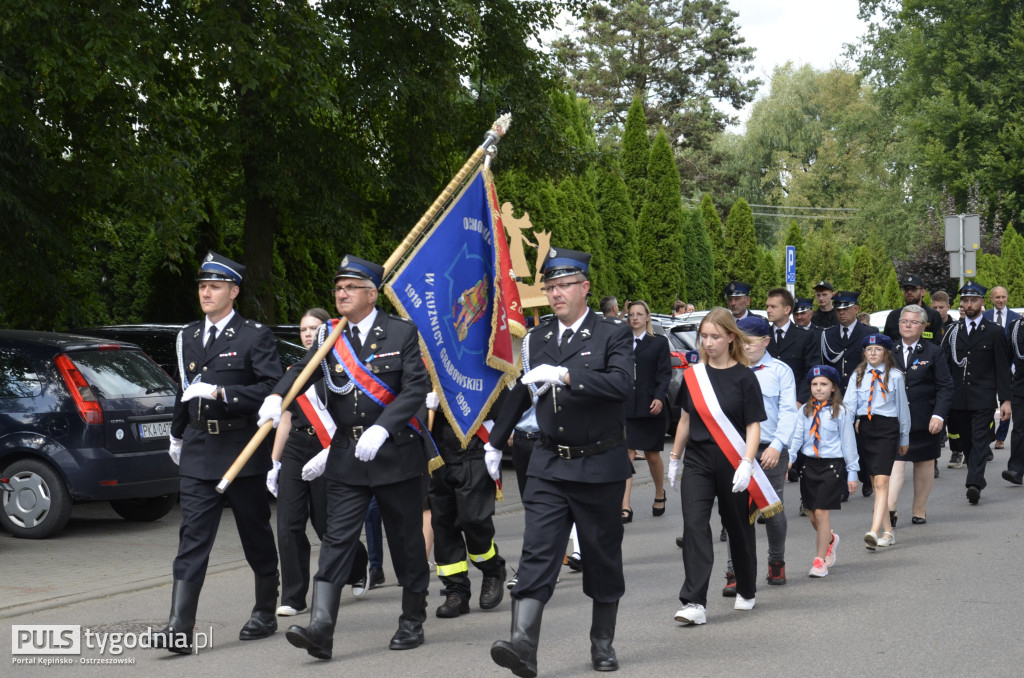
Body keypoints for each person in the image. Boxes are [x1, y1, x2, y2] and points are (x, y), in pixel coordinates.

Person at [259, 254, 432, 659]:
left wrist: (382, 426)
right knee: (336, 540)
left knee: (406, 541)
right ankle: (321, 628)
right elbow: (302, 372)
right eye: (338, 287)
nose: (341, 292)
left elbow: (413, 388)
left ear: (372, 294)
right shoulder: (328, 337)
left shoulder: (400, 333)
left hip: (394, 453)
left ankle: (412, 619)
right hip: (346, 456)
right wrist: (275, 396)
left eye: (350, 287)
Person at [487, 247, 632, 675]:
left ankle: (602, 642)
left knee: (602, 556)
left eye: (564, 285)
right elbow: (520, 391)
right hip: (550, 464)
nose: (556, 294)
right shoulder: (537, 338)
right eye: (549, 287)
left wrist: (567, 376)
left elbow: (623, 385)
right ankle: (522, 646)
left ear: (585, 287)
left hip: (599, 464)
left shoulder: (612, 333)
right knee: (537, 551)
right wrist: (495, 442)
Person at [152, 251, 284, 654]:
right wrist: (176, 435)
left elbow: (272, 388)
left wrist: (222, 392)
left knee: (254, 531)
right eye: (202, 286)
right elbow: (184, 390)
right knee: (192, 537)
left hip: (239, 448)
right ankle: (179, 626)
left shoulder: (253, 335)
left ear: (234, 292)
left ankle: (265, 610)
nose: (205, 293)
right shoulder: (187, 335)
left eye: (214, 286)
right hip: (198, 447)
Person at [668, 308, 778, 626]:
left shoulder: (745, 377)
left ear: (731, 337)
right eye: (704, 336)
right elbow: (686, 420)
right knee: (694, 526)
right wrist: (674, 458)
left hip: (733, 460)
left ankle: (746, 587)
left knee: (738, 528)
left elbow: (754, 425)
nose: (709, 342)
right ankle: (694, 602)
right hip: (699, 461)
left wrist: (747, 462)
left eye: (715, 336)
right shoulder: (693, 376)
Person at [267, 309, 371, 617]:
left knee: (325, 524)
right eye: (303, 330)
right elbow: (285, 418)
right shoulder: (294, 371)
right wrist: (274, 462)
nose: (308, 334)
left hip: (330, 448)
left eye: (314, 328)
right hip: (297, 446)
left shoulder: (340, 368)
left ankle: (358, 561)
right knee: (288, 524)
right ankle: (294, 596)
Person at [720, 316, 797, 591]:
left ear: (766, 341)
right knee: (734, 512)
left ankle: (776, 562)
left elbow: (789, 412)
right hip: (734, 449)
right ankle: (734, 571)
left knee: (772, 510)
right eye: (741, 340)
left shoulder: (780, 371)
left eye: (751, 342)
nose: (745, 346)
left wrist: (778, 445)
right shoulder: (728, 368)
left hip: (769, 449)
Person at [425, 389, 508, 618]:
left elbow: (499, 400)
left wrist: (444, 404)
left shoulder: (476, 356)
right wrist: (423, 408)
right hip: (437, 453)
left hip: (473, 449)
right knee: (443, 524)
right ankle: (456, 591)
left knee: (473, 519)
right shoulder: (424, 359)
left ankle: (492, 568)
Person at [941, 282, 1011, 504]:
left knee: (980, 440)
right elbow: (944, 366)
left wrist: (1005, 400)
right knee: (966, 442)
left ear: (982, 302)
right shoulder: (953, 332)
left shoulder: (995, 332)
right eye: (965, 300)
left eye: (973, 300)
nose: (968, 304)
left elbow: (1002, 368)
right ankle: (977, 477)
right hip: (957, 398)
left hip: (983, 397)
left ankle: (973, 483)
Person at [789, 366, 859, 577]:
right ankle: (830, 539)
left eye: (823, 384)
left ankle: (819, 561)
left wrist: (853, 472)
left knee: (821, 512)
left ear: (833, 387)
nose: (818, 389)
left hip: (832, 466)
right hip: (809, 466)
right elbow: (797, 438)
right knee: (812, 515)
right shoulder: (804, 411)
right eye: (814, 384)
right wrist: (789, 461)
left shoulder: (841, 411)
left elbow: (848, 443)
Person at [886, 305, 953, 525]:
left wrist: (939, 416)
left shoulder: (934, 352)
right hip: (894, 421)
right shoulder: (888, 351)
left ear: (923, 326)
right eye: (904, 321)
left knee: (924, 464)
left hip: (925, 419)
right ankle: (890, 510)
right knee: (895, 463)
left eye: (913, 322)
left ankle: (919, 510)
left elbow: (945, 386)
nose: (907, 325)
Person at [844, 334, 910, 550]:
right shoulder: (857, 375)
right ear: (864, 353)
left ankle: (873, 531)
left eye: (877, 349)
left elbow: (902, 409)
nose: (872, 353)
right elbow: (849, 406)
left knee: (882, 482)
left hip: (887, 429)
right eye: (869, 349)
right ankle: (888, 532)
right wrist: (844, 428)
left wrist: (904, 436)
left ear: (886, 353)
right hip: (865, 428)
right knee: (875, 483)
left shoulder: (896, 376)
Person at [621, 300, 672, 523]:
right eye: (631, 314)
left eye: (639, 314)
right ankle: (625, 505)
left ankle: (660, 493)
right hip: (625, 407)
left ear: (647, 317)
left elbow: (664, 374)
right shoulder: (621, 342)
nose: (634, 318)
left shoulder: (658, 342)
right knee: (627, 453)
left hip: (651, 405)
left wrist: (660, 397)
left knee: (652, 455)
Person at [765, 287, 817, 404]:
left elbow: (810, 370)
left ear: (787, 309)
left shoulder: (805, 336)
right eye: (767, 306)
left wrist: (800, 401)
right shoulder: (763, 336)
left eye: (773, 307)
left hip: (795, 399)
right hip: (768, 402)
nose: (768, 310)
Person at [983, 286, 1019, 449]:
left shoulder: (1016, 318)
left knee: (1006, 401)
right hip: (988, 367)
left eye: (1003, 297)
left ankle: (1001, 437)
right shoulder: (984, 317)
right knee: (987, 403)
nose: (1001, 300)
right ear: (991, 299)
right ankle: (989, 434)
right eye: (997, 297)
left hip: (1009, 367)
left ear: (1007, 298)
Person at [882, 274, 945, 345]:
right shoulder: (894, 315)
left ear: (923, 292)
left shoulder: (933, 315)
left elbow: (939, 343)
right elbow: (886, 343)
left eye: (913, 289)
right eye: (906, 289)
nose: (909, 292)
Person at [1004, 313, 1024, 485]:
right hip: (1020, 387)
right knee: (1019, 428)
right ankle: (1016, 469)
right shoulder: (1015, 327)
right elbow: (1007, 357)